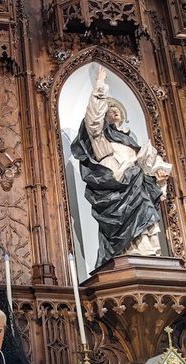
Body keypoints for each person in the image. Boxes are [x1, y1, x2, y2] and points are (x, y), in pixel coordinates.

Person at [71, 66, 172, 269]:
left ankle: (147, 253)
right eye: (110, 109)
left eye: (117, 110)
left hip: (137, 183)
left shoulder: (131, 142)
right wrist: (100, 87)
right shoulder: (101, 139)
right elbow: (93, 122)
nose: (114, 111)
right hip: (114, 183)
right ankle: (125, 253)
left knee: (146, 208)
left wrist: (159, 179)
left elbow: (148, 170)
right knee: (122, 217)